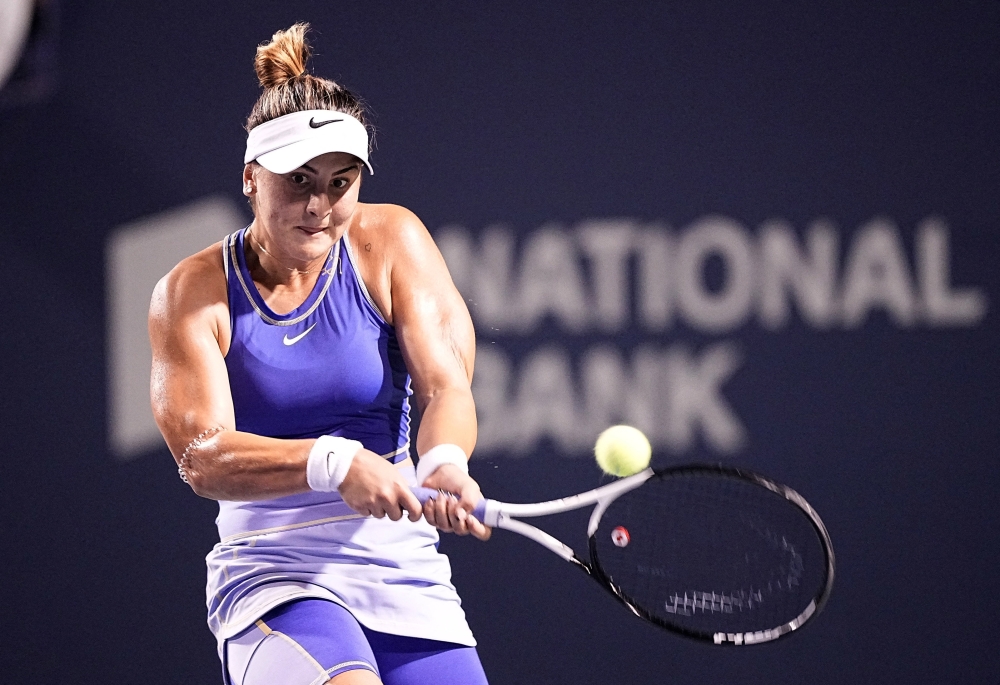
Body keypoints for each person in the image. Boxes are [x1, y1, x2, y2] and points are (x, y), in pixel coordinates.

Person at [148, 23, 490, 685]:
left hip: (404, 572)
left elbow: (446, 386)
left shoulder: (392, 240)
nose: (319, 205)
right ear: (251, 178)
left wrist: (444, 462)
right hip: (273, 574)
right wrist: (333, 462)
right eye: (298, 180)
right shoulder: (191, 292)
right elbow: (202, 458)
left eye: (340, 182)